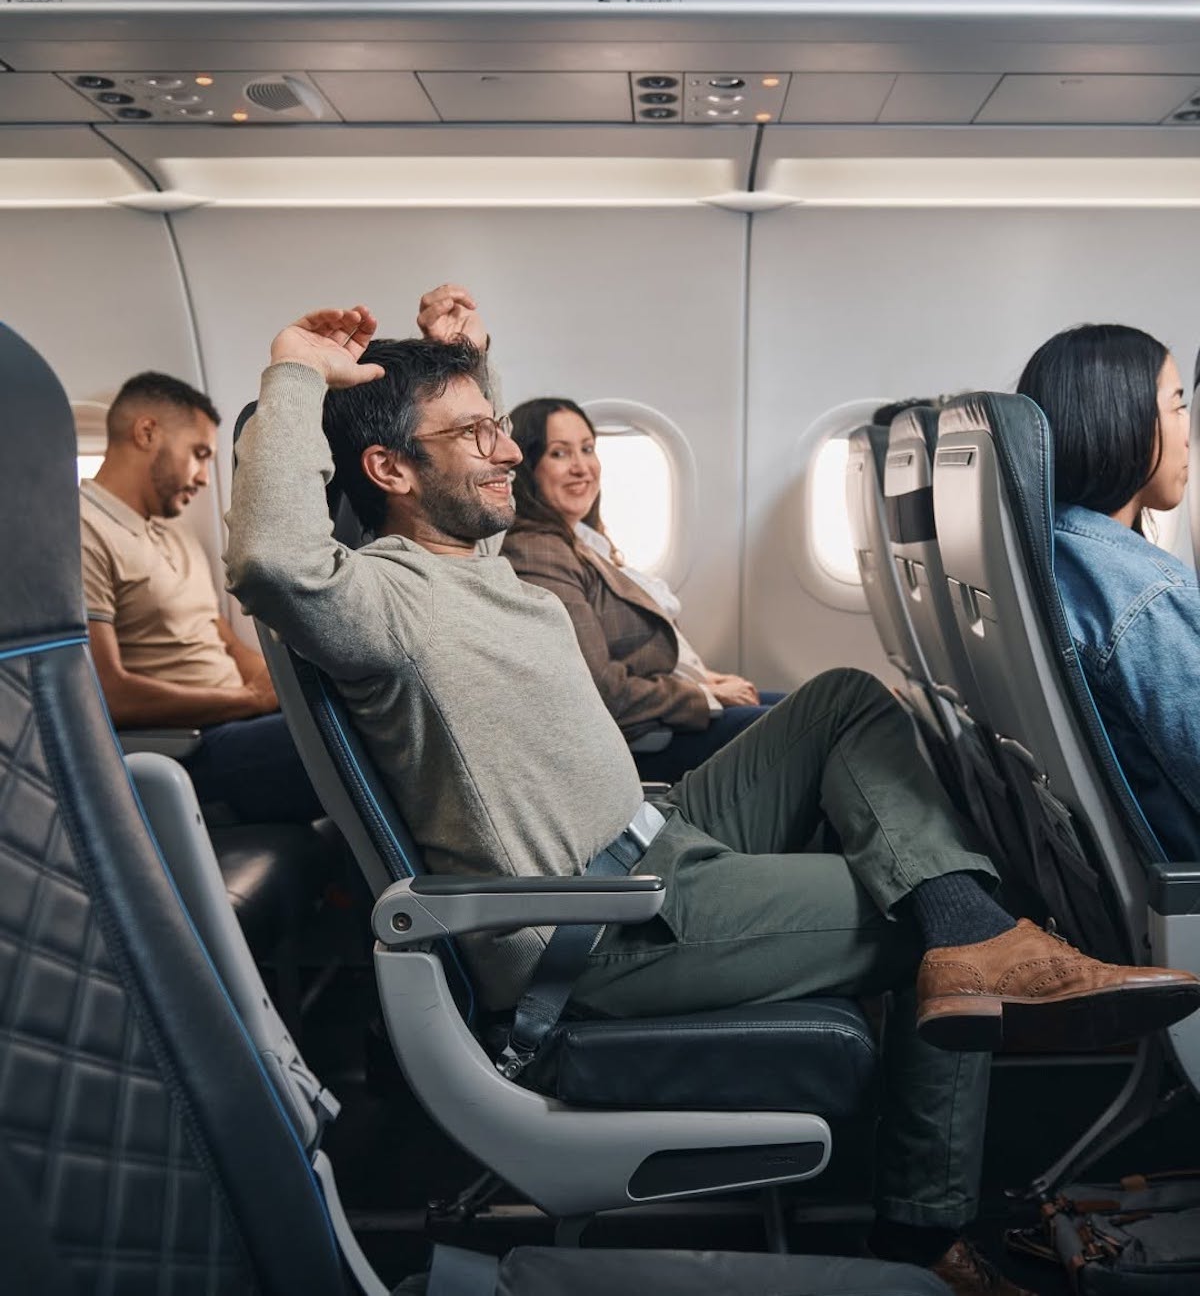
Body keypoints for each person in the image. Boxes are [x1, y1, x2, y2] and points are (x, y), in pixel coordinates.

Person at [225, 286, 1200, 1296]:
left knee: (842, 702)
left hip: (656, 829)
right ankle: (923, 1226)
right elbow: (269, 559)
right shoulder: (380, 600)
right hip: (598, 923)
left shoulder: (470, 555)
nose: (507, 449)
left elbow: (479, 471)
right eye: (474, 434)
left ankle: (966, 921)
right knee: (929, 922)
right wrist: (293, 375)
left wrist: (463, 364)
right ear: (388, 470)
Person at [81, 370, 319, 823]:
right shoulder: (82, 530)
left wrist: (278, 687)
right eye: (199, 454)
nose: (205, 479)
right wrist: (251, 700)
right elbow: (107, 693)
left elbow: (223, 639)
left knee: (353, 710)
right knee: (354, 738)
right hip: (185, 746)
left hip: (236, 723)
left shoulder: (176, 538)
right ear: (147, 432)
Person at [501, 396, 781, 781]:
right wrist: (703, 697)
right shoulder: (538, 553)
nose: (582, 467)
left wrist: (704, 679)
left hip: (666, 712)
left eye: (587, 449)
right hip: (646, 739)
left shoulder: (582, 540)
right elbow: (602, 688)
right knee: (831, 716)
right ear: (529, 469)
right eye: (560, 453)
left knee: (823, 705)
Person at [1017, 323, 1200, 858]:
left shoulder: (1052, 551)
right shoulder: (1147, 598)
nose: (1188, 432)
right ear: (1123, 422)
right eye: (1177, 406)